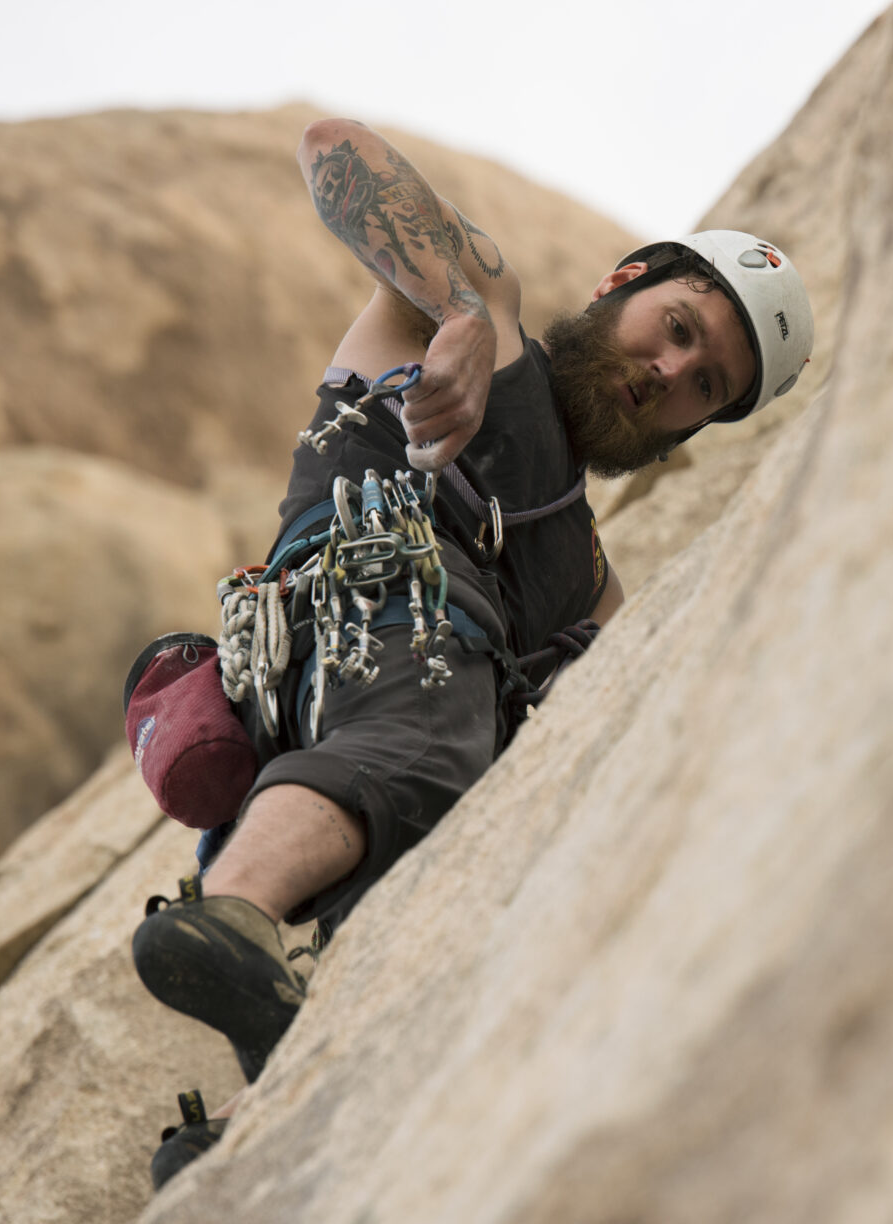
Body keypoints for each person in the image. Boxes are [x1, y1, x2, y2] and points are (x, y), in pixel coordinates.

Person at [131, 117, 814, 1186]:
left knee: (430, 870)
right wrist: (453, 310)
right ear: (625, 282)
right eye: (675, 326)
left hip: (350, 747)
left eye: (704, 384)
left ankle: (242, 1134)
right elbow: (334, 152)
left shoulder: (591, 586)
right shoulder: (482, 313)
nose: (669, 370)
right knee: (437, 728)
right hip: (373, 615)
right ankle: (228, 921)